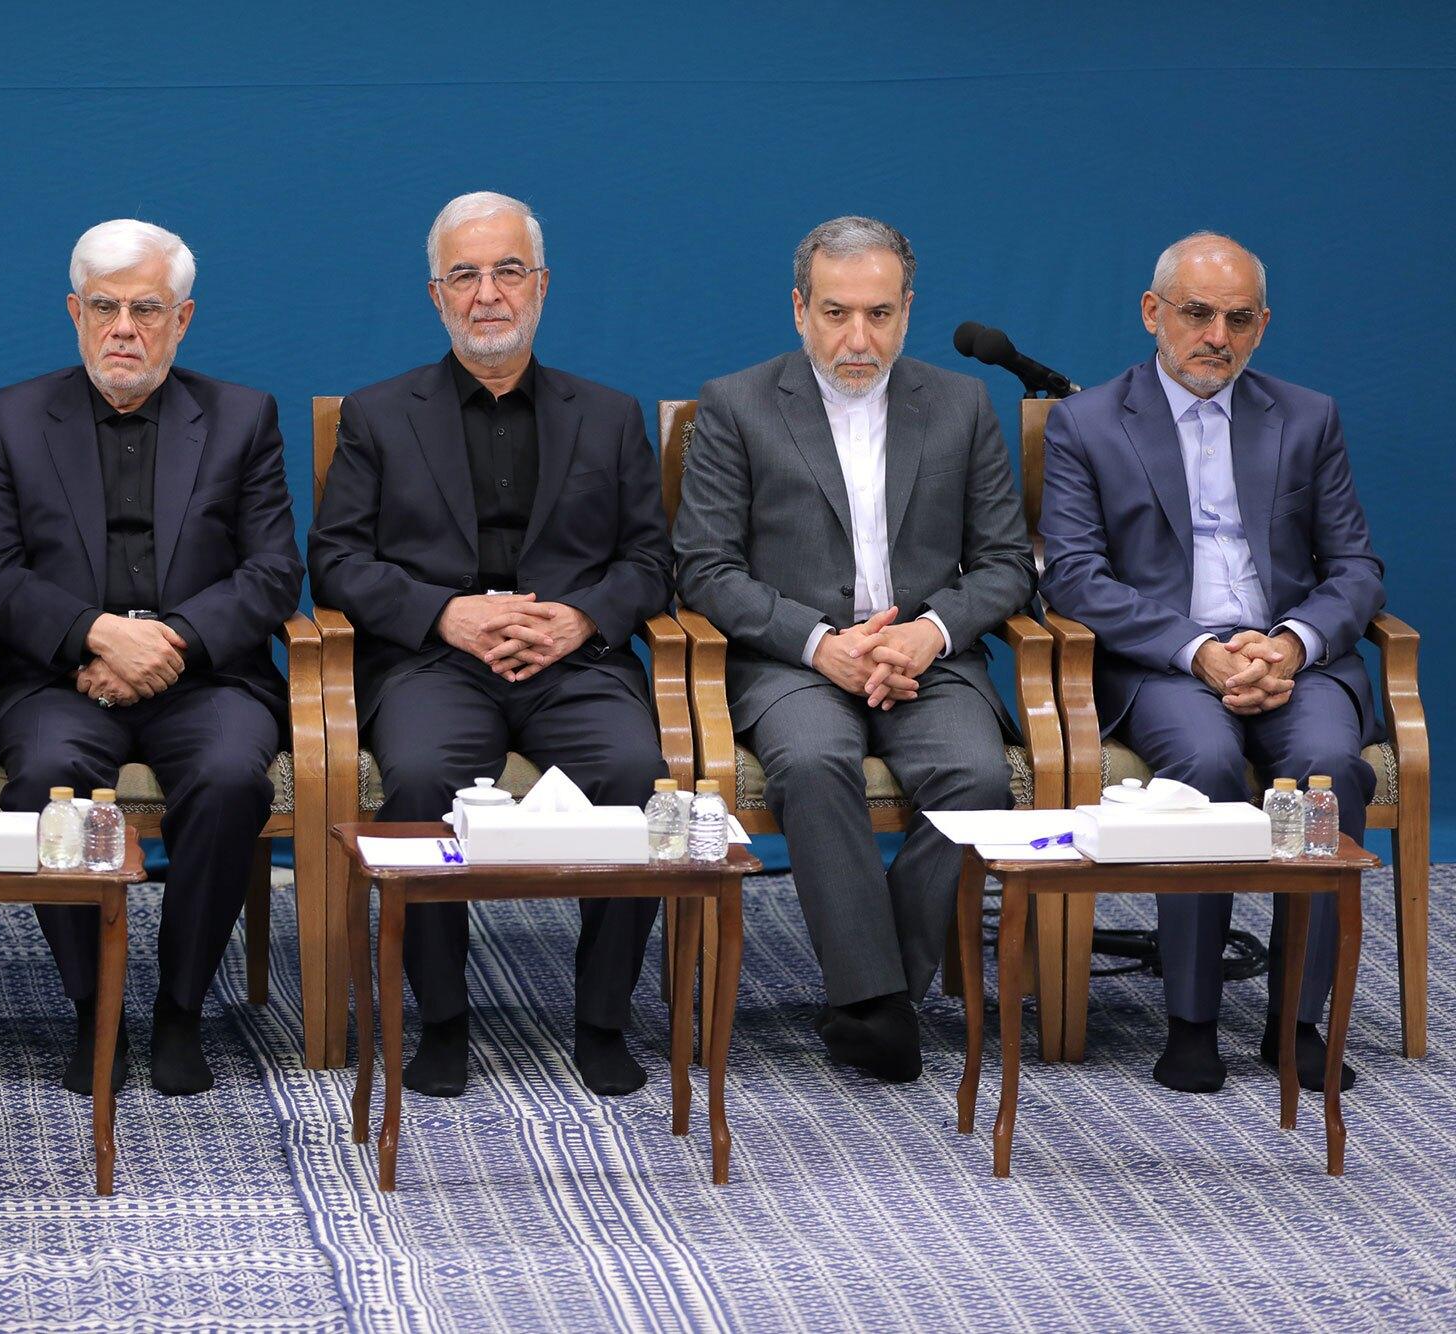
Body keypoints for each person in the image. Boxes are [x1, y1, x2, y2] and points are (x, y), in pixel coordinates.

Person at [308, 191, 673, 1098]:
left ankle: (602, 1018)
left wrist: (581, 618)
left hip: (572, 663)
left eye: (508, 271)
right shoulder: (379, 414)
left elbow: (651, 560)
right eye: (464, 275)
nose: (488, 294)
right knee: (421, 778)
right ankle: (442, 1019)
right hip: (436, 662)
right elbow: (336, 561)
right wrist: (445, 613)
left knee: (635, 772)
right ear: (436, 295)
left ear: (541, 285)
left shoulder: (608, 414)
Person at [673, 215, 1034, 1083]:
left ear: (908, 311)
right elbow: (704, 568)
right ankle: (876, 1005)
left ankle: (875, 991)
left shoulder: (960, 405)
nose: (858, 338)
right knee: (813, 763)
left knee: (976, 778)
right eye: (836, 314)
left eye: (879, 314)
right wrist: (819, 643)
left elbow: (1006, 563)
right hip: (792, 659)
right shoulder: (736, 404)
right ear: (801, 310)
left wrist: (927, 633)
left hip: (925, 656)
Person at [0, 219, 302, 1097]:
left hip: (206, 673)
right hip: (61, 675)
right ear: (74, 313)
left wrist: (171, 640)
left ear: (181, 319)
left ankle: (181, 1009)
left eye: (146, 309)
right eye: (104, 307)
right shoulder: (11, 418)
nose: (124, 329)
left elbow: (273, 571)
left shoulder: (241, 417)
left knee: (229, 777)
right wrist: (95, 633)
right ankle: (94, 1008)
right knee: (45, 781)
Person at [1039, 231, 1384, 1093]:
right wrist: (1199, 652)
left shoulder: (1306, 416)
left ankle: (1295, 1019)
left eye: (1238, 319)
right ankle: (1191, 1021)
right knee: (1204, 764)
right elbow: (1073, 576)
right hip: (1166, 661)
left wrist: (1291, 643)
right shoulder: (1087, 423)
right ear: (1152, 313)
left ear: (1262, 326)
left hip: (1291, 656)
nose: (1215, 337)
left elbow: (1355, 568)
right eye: (1196, 313)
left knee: (1327, 767)